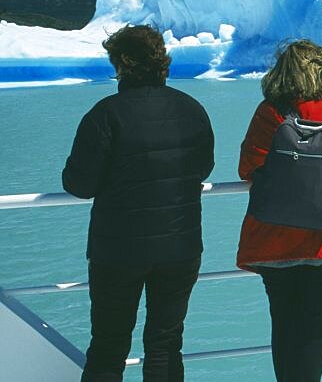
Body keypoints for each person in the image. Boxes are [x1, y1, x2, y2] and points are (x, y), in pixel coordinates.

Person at [62, 25, 215, 381]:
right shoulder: (192, 110)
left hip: (117, 252)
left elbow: (79, 184)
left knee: (108, 346)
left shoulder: (105, 115)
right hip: (180, 247)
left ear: (123, 64)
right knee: (165, 344)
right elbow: (203, 167)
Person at [236, 39, 322, 382]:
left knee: (284, 335)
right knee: (313, 343)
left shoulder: (269, 114)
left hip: (275, 244)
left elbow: (249, 166)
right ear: (321, 75)